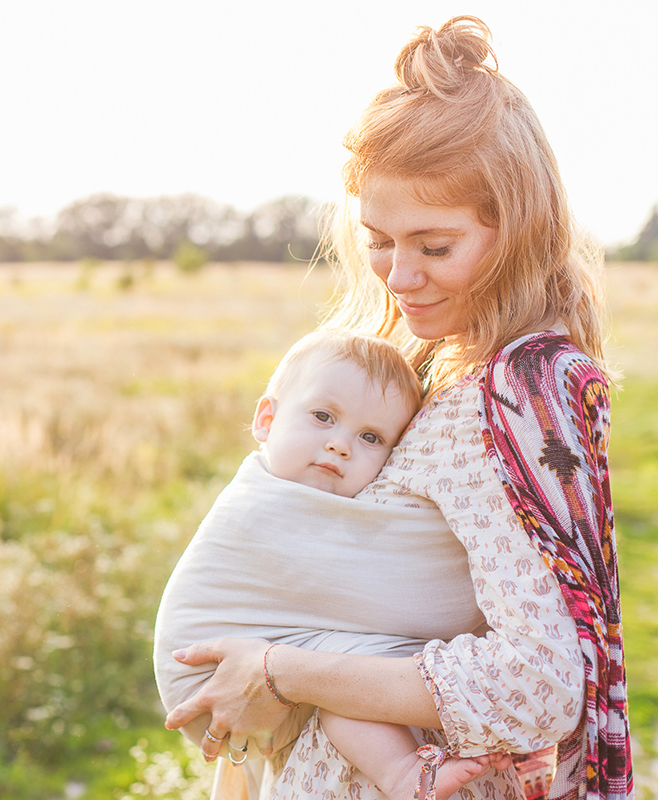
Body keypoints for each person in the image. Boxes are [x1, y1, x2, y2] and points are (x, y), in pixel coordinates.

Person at [161, 15, 632, 800]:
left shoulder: (514, 397)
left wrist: (280, 668)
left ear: (515, 232)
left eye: (434, 246)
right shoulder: (448, 372)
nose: (399, 275)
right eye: (379, 239)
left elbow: (538, 685)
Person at [154, 328, 511, 800]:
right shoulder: (262, 506)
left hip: (262, 669)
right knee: (358, 661)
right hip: (208, 680)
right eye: (323, 417)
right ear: (266, 419)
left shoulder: (303, 497)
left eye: (371, 437)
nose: (341, 445)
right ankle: (404, 773)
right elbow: (413, 602)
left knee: (343, 671)